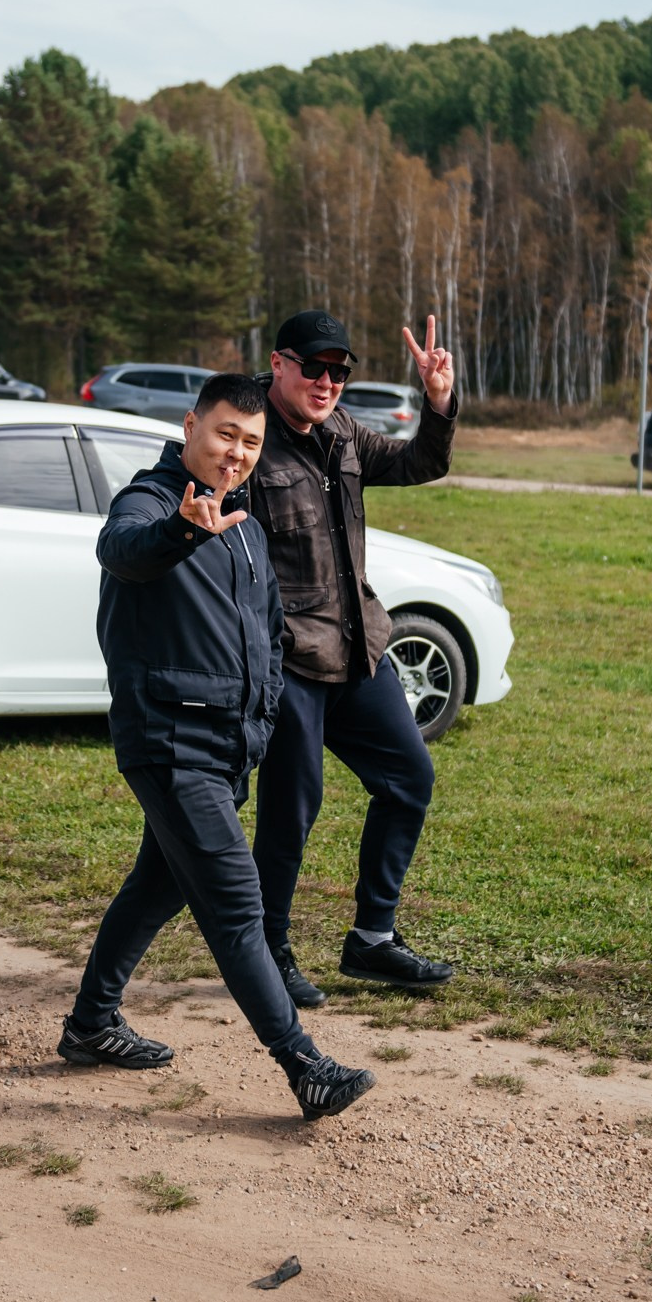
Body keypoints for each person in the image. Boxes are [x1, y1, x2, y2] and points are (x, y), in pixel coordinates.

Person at [60, 372, 376, 1122]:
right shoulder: (153, 501)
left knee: (159, 885)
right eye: (225, 434)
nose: (237, 452)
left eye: (251, 442)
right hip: (169, 738)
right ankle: (304, 1066)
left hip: (225, 744)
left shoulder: (246, 526)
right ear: (190, 426)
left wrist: (261, 721)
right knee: (238, 905)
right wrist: (181, 530)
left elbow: (266, 635)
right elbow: (122, 550)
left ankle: (91, 1023)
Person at [249, 309, 459, 1006]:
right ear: (279, 364)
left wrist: (437, 403)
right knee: (292, 810)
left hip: (357, 651)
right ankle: (266, 953)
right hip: (291, 661)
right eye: (314, 368)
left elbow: (420, 462)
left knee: (409, 779)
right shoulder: (249, 438)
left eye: (339, 372)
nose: (327, 383)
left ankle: (372, 940)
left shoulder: (341, 433)